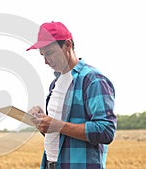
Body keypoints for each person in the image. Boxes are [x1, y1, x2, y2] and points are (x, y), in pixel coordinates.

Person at [26, 21, 116, 169]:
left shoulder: (93, 81)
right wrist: (44, 123)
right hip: (51, 164)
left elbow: (106, 131)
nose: (46, 61)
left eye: (49, 53)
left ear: (67, 45)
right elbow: (59, 135)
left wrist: (57, 125)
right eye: (42, 55)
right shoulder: (54, 84)